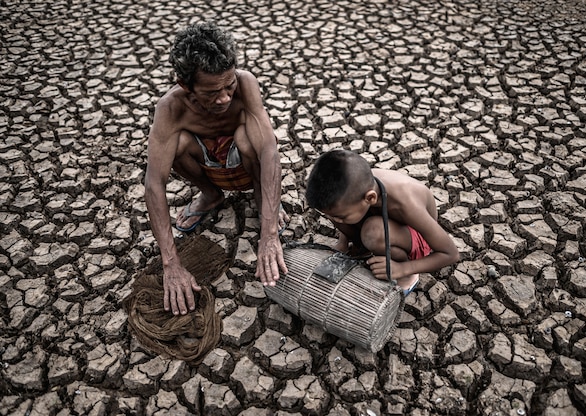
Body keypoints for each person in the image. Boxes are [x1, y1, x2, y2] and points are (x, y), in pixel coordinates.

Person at [144, 21, 289, 315]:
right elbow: (154, 183)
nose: (224, 98)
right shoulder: (170, 108)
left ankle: (263, 201)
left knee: (250, 139)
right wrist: (171, 264)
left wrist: (270, 233)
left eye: (229, 86)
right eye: (211, 92)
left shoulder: (246, 83)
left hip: (246, 167)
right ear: (186, 86)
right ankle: (211, 195)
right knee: (179, 144)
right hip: (208, 166)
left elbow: (269, 151)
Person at [305, 149, 459, 295]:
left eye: (341, 217)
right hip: (383, 223)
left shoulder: (405, 203)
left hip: (415, 236)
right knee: (343, 216)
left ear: (370, 198)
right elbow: (340, 212)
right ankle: (362, 248)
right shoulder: (355, 189)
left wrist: (403, 268)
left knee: (373, 232)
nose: (335, 220)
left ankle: (408, 277)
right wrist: (343, 242)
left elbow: (450, 254)